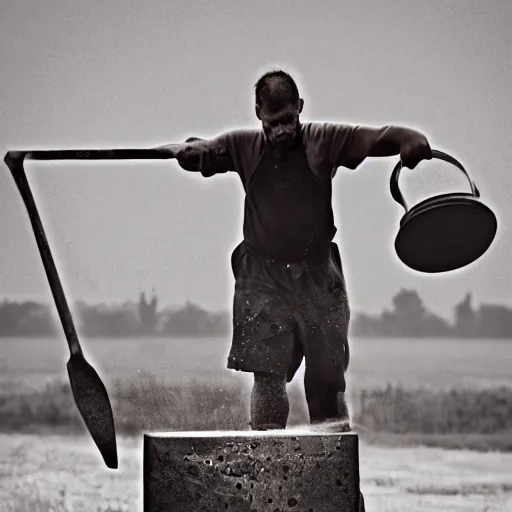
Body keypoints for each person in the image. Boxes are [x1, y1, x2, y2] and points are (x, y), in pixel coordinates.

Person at [154, 68, 432, 432]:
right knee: (268, 377)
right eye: (273, 123)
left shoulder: (322, 140)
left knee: (327, 381)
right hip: (262, 279)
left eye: (288, 120)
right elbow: (201, 151)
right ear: (258, 114)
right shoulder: (243, 147)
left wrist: (410, 139)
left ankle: (336, 480)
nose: (281, 130)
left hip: (317, 278)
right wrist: (185, 151)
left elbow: (379, 137)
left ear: (299, 108)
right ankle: (265, 465)